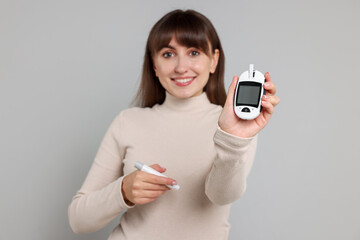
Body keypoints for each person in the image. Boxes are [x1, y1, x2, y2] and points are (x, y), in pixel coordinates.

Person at [68, 9, 279, 240]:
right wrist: (123, 191)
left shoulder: (235, 126)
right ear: (154, 65)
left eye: (194, 52)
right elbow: (79, 220)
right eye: (168, 54)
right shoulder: (127, 122)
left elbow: (221, 196)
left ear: (214, 60)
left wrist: (233, 140)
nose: (181, 67)